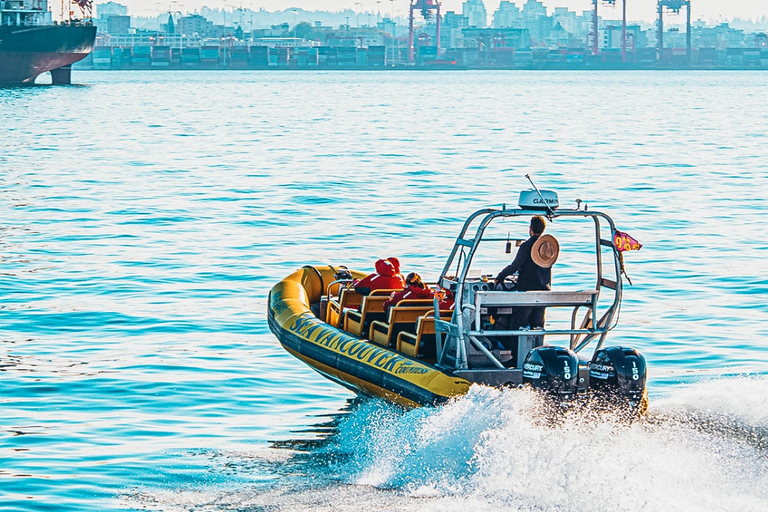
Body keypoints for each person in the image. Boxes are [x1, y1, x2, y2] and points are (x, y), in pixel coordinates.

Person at [493, 215, 558, 330]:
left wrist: (500, 276)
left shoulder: (526, 246)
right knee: (537, 326)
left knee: (517, 324)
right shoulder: (547, 248)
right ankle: (536, 346)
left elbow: (515, 266)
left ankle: (515, 348)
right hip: (543, 292)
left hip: (527, 292)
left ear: (530, 229)